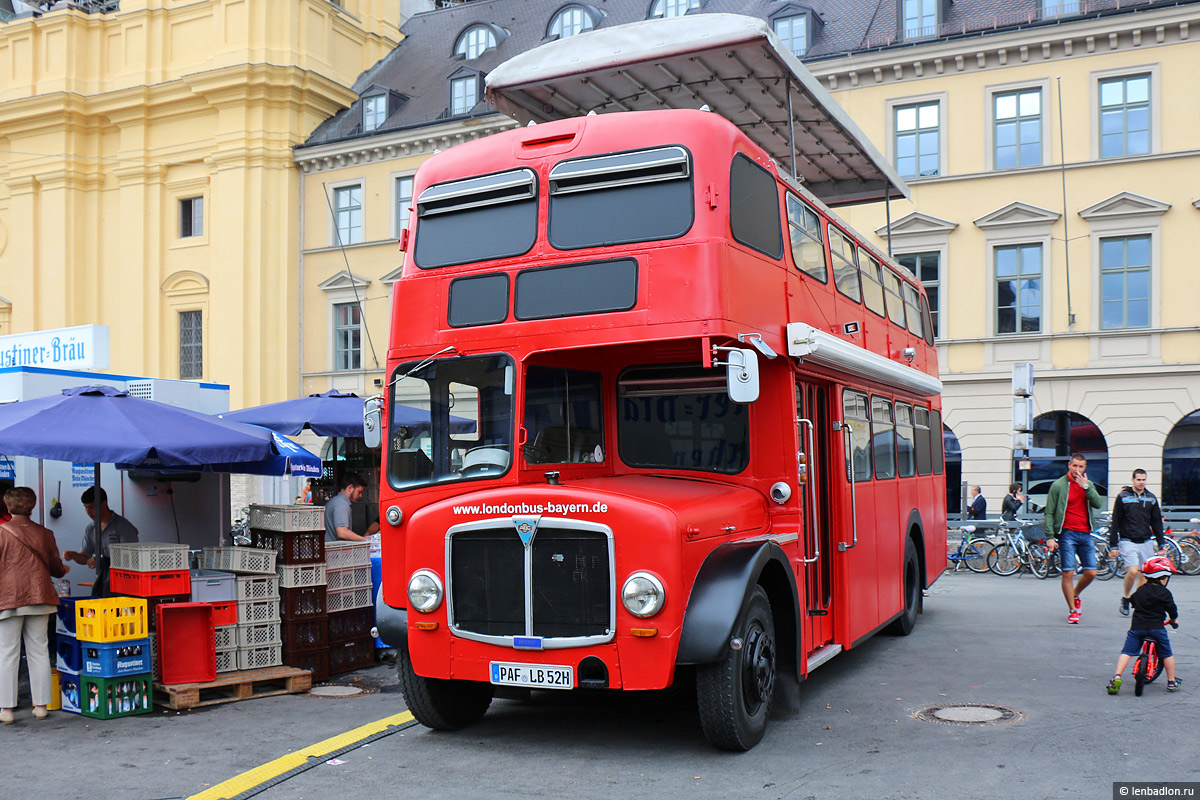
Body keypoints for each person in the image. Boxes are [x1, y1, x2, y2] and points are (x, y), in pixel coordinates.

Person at [0, 486, 70, 723]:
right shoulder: (45, 533)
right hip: (40, 596)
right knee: (39, 650)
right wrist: (65, 569)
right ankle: (41, 706)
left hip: (8, 598)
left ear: (7, 506)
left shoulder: (1, 532)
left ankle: (6, 710)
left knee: (8, 651)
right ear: (32, 506)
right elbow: (57, 569)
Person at [1106, 556, 1181, 694]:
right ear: (1163, 578)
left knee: (1127, 652)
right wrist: (1174, 620)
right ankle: (1171, 681)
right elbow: (1172, 609)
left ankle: (1116, 676)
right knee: (1166, 654)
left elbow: (1133, 602)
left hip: (1137, 628)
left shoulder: (1140, 591)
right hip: (1157, 629)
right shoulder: (1165, 593)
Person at [1044, 453, 1104, 624]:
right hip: (1067, 533)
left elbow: (1098, 504)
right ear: (1069, 465)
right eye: (1075, 466)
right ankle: (1073, 610)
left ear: (1085, 468)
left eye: (1081, 467)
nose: (1077, 470)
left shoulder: (1088, 484)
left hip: (1085, 533)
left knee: (1091, 572)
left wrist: (1086, 487)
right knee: (1068, 572)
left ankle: (1075, 594)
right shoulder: (1058, 485)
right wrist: (1050, 536)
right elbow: (1049, 512)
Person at [1109, 469, 1167, 617]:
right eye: (1139, 479)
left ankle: (1137, 600)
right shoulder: (1123, 497)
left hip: (1146, 542)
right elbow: (1115, 520)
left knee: (1144, 574)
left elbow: (1156, 522)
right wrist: (1113, 544)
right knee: (1133, 571)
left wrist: (1161, 543)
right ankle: (1126, 597)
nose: (1141, 482)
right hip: (1128, 541)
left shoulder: (1151, 498)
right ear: (1133, 480)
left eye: (1144, 480)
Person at [63, 486, 139, 597]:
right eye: (85, 508)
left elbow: (132, 558)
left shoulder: (123, 526)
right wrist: (74, 555)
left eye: (92, 507)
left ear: (104, 504)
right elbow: (86, 558)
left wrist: (102, 560)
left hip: (124, 585)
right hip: (103, 583)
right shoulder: (91, 528)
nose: (88, 512)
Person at [324, 473, 380, 543]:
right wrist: (365, 540)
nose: (361, 496)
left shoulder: (336, 501)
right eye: (359, 492)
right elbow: (342, 532)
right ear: (350, 488)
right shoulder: (341, 504)